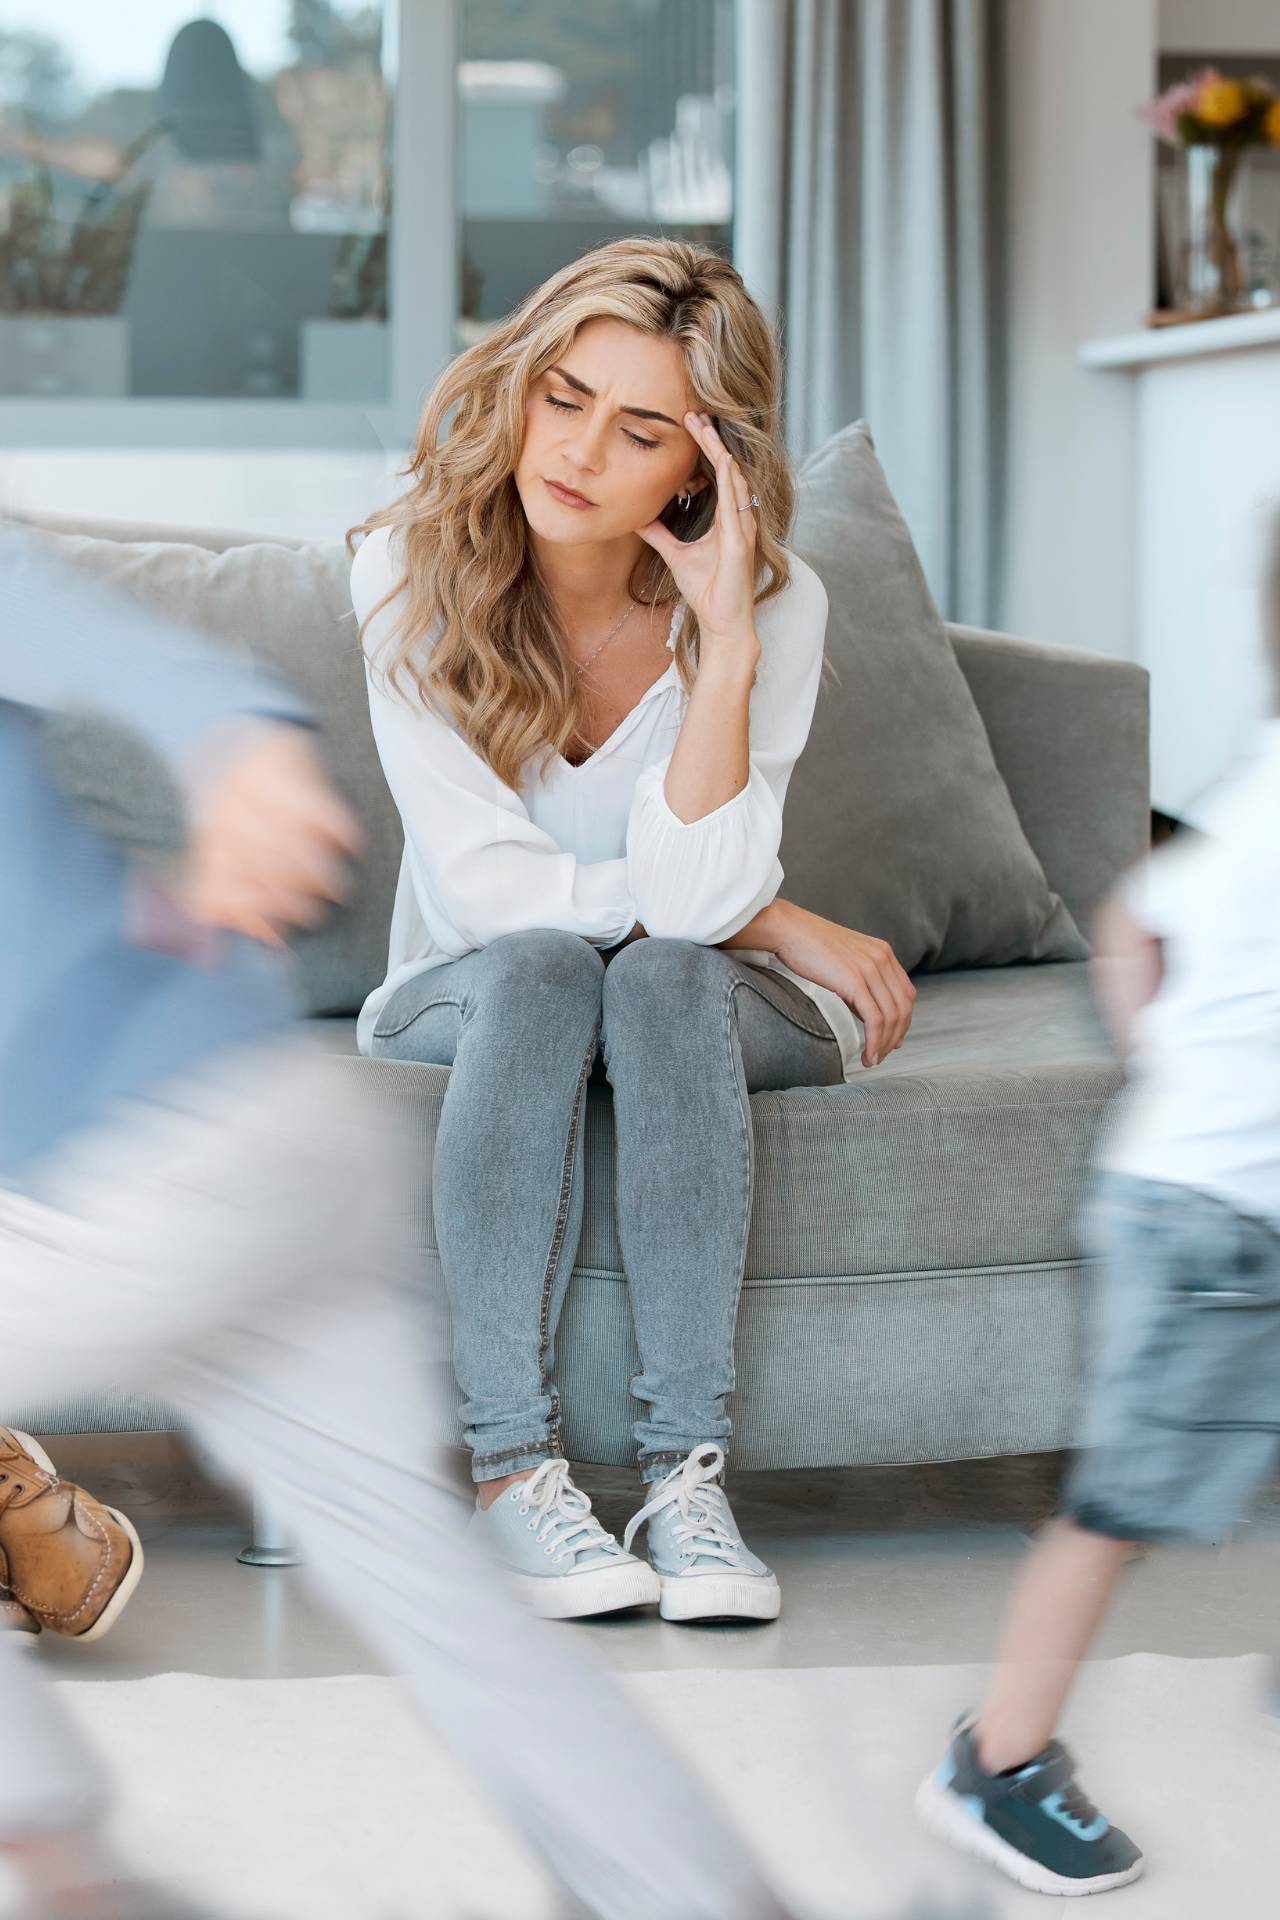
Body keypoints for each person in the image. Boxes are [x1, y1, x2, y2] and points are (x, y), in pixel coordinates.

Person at [0, 526, 817, 1920]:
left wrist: (238, 752)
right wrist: (234, 747)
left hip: (125, 1179)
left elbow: (131, 658)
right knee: (439, 1594)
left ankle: (66, 1871)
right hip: (270, 1133)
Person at [350, 237, 917, 1624]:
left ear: (703, 467)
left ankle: (686, 1485)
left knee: (661, 974)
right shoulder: (407, 566)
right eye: (564, 397)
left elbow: (690, 911)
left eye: (642, 430)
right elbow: (486, 896)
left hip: (684, 995)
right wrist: (772, 917)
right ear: (522, 383)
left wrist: (723, 645)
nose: (581, 451)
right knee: (549, 966)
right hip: (470, 990)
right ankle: (510, 1475)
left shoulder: (775, 602)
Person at [915, 519, 1280, 1896]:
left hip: (1202, 1191)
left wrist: (1167, 1063)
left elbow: (1134, 924)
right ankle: (996, 1764)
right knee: (1116, 1507)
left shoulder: (1259, 790)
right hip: (1202, 1227)